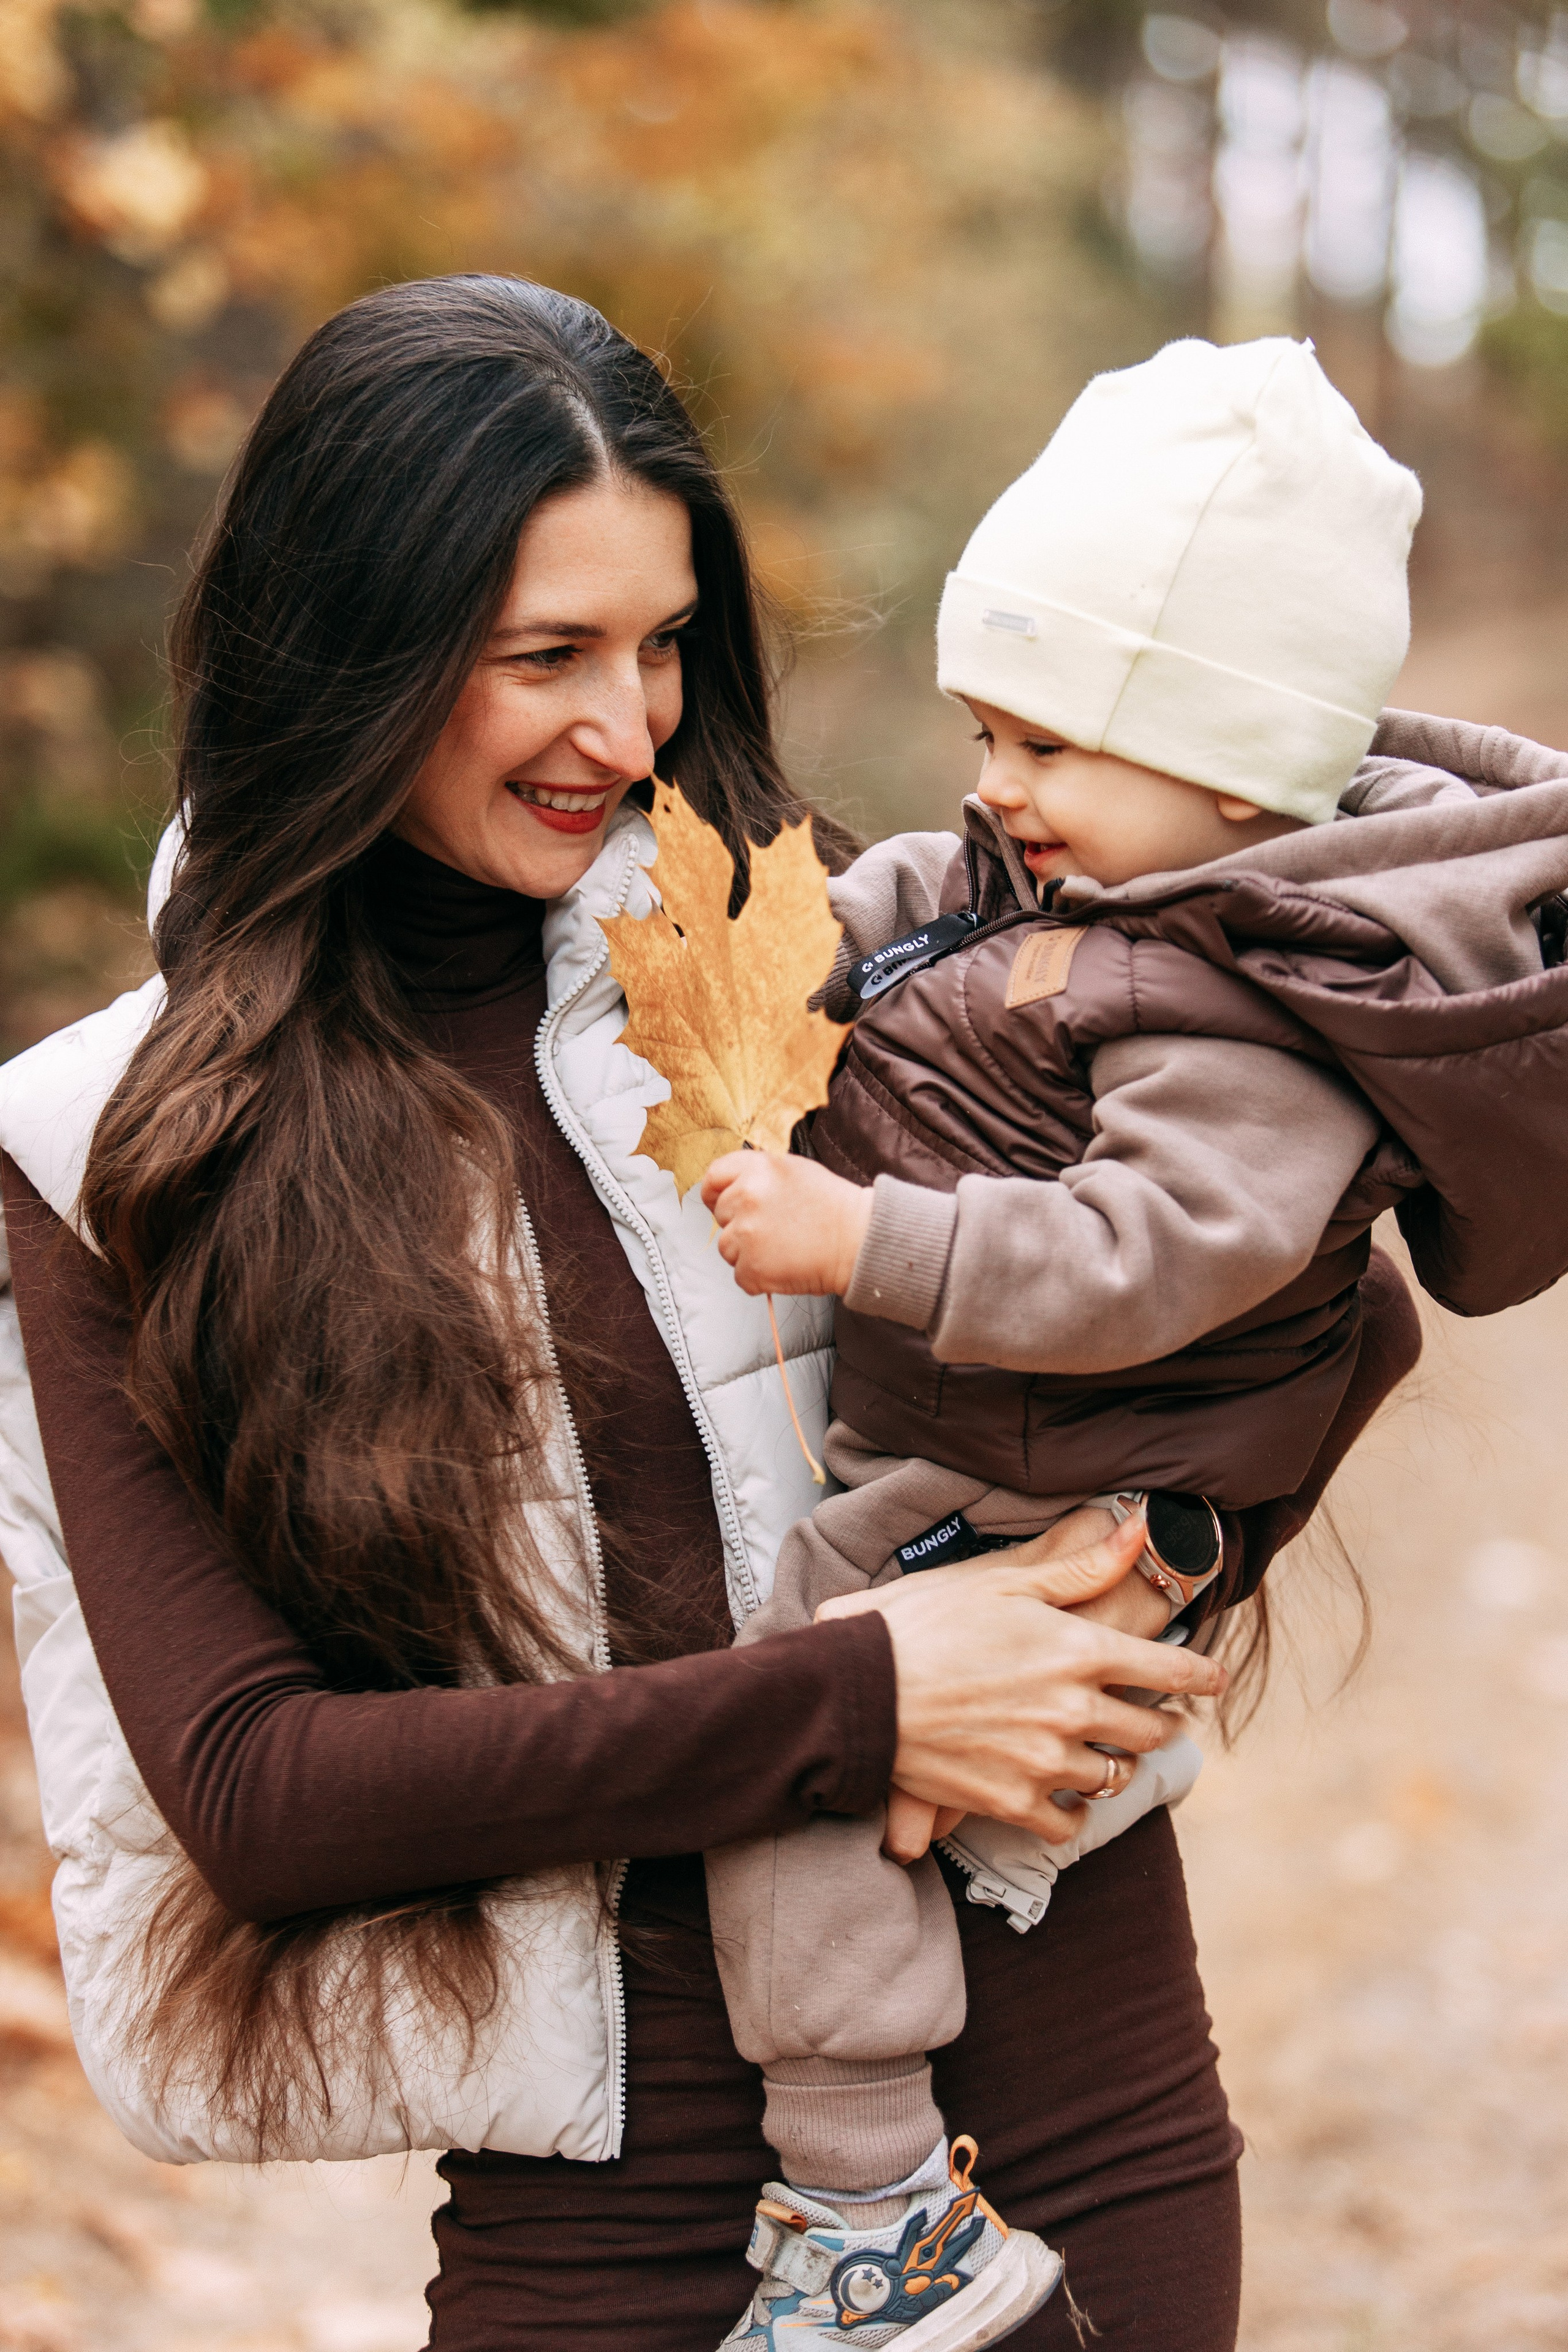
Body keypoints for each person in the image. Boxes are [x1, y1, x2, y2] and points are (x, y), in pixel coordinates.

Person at [0, 283, 1423, 2352]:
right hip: (615, 2212)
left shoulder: (819, 949)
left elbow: (1307, 1300)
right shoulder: (114, 1147)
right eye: (543, 658)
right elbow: (263, 1789)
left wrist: (1153, 1561)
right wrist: (861, 1699)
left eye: (666, 643)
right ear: (350, 654)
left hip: (1071, 2101)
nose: (631, 728)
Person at [701, 337, 1568, 2349]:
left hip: (1039, 1472)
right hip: (990, 1432)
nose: (997, 789)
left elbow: (1148, 1255)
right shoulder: (1084, 864)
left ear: (1240, 759)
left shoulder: (1258, 1012)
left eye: (1052, 746)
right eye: (985, 732)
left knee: (803, 1712)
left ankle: (866, 2198)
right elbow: (912, 906)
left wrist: (869, 1235)